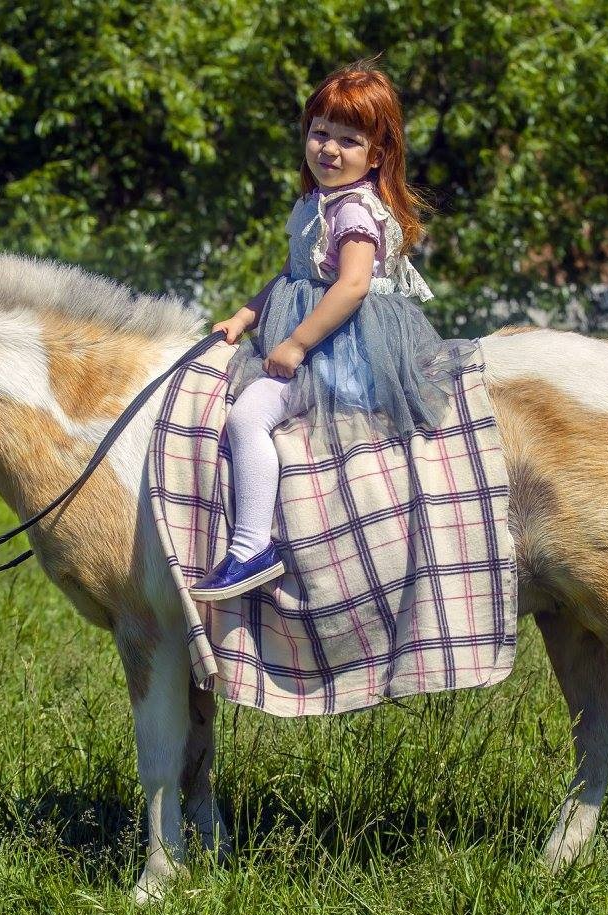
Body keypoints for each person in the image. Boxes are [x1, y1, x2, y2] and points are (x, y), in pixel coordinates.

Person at [188, 59, 478, 603]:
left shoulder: (353, 212)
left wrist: (297, 343)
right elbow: (290, 275)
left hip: (345, 348)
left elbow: (351, 286)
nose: (329, 149)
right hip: (317, 334)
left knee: (249, 418)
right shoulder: (313, 205)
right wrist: (245, 317)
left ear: (377, 154)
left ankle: (252, 548)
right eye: (320, 132)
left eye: (348, 140)